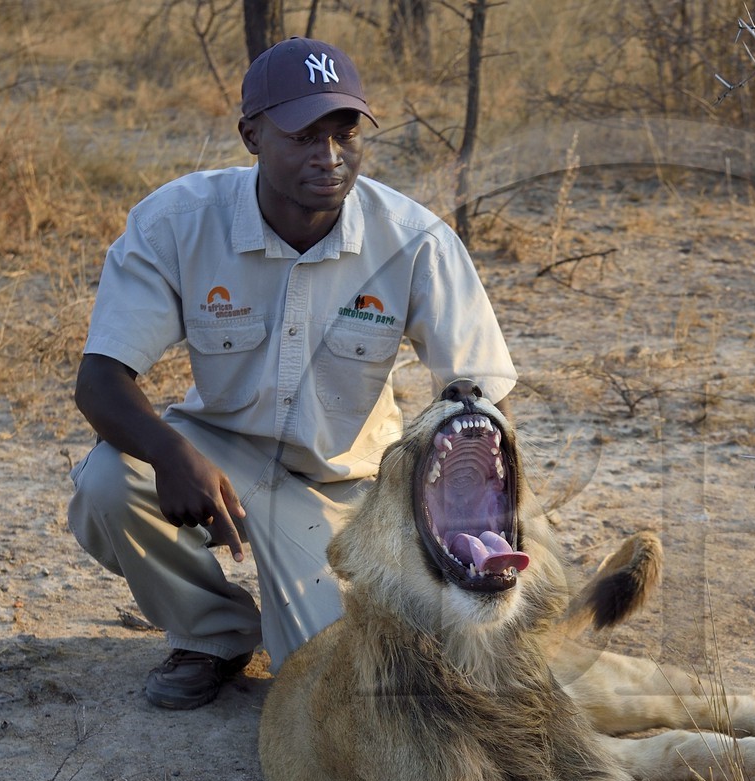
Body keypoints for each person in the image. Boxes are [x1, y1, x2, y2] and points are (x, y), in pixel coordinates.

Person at [68, 37, 515, 709]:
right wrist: (170, 454)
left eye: (344, 133)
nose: (329, 157)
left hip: (345, 484)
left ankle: (307, 611)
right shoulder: (178, 222)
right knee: (110, 478)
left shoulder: (414, 240)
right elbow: (100, 379)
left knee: (326, 682)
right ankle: (211, 635)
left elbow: (475, 396)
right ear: (251, 134)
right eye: (304, 135)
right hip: (218, 448)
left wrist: (445, 507)